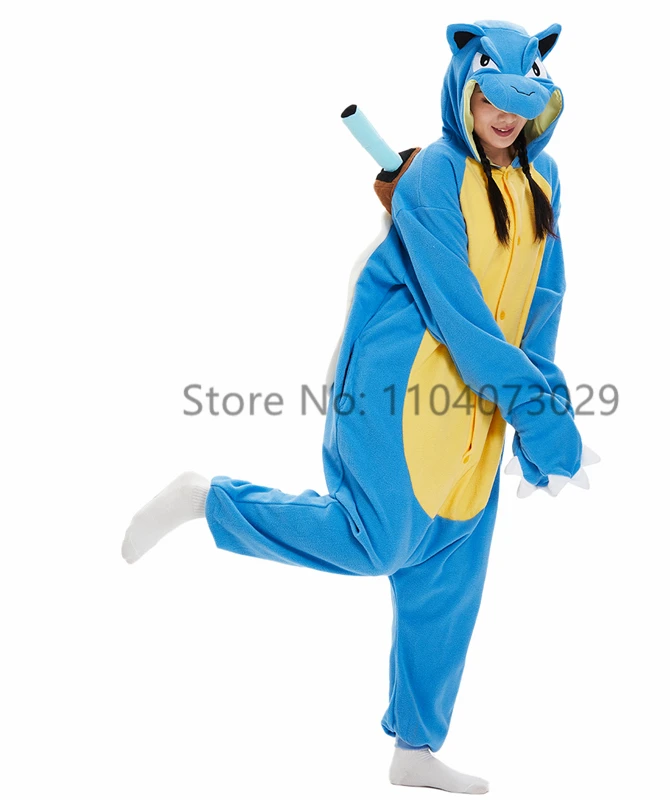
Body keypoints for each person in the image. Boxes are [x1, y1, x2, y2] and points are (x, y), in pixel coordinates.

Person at [122, 19, 597, 795]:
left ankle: (416, 749)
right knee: (373, 542)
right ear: (464, 91)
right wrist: (547, 422)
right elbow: (464, 322)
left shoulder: (542, 182)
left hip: (478, 413)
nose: (505, 117)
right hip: (399, 389)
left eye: (520, 102)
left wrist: (538, 430)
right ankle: (209, 501)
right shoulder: (436, 174)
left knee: (448, 577)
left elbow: (541, 306)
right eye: (491, 99)